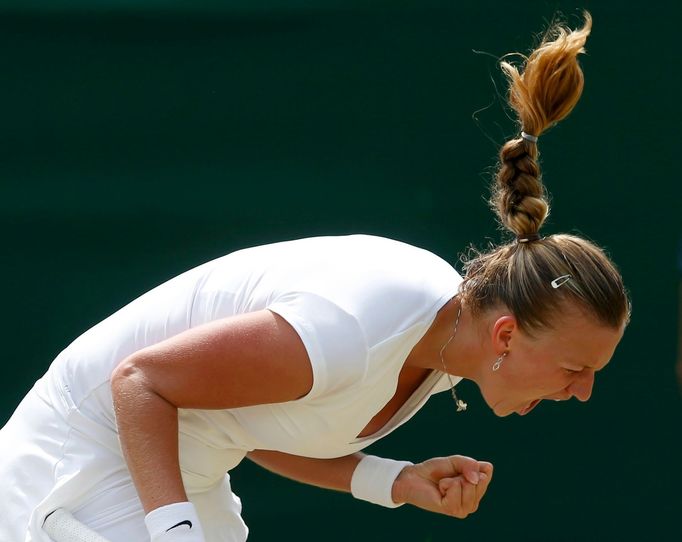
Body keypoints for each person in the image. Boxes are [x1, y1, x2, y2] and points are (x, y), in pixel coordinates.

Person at [0, 12, 629, 542]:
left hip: (178, 464)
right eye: (576, 368)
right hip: (85, 450)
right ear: (506, 336)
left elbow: (252, 421)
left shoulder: (442, 343)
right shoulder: (357, 327)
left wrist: (395, 481)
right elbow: (140, 383)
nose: (583, 392)